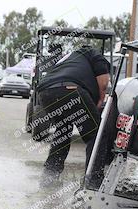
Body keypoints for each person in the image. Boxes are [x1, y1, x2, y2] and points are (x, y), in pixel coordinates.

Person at [35, 45, 110, 189]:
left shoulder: (69, 59)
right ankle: (93, 184)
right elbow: (104, 82)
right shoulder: (92, 52)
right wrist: (100, 100)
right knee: (97, 135)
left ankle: (50, 174)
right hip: (70, 90)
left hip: (46, 92)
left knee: (62, 131)